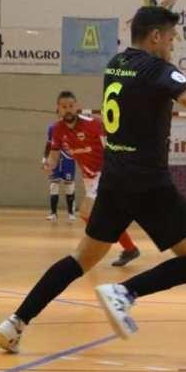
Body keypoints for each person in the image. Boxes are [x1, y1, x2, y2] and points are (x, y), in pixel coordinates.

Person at [0, 6, 186, 353]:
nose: (173, 46)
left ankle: (15, 322)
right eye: (171, 38)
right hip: (148, 182)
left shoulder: (116, 64)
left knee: (81, 257)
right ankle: (124, 292)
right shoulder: (158, 69)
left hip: (114, 179)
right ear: (155, 37)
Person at [44, 90, 141, 267]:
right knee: (104, 217)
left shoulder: (94, 124)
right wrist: (48, 165)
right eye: (64, 107)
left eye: (71, 106)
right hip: (89, 177)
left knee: (86, 212)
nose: (68, 110)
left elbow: (112, 148)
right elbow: (54, 156)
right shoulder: (57, 129)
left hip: (105, 172)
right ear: (57, 109)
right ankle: (129, 248)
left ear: (77, 107)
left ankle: (91, 250)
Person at [44, 122, 76, 221]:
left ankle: (71, 213)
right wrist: (45, 158)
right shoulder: (52, 127)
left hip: (69, 160)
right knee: (54, 185)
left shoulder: (73, 128)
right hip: (55, 159)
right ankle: (53, 214)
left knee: (69, 186)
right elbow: (49, 143)